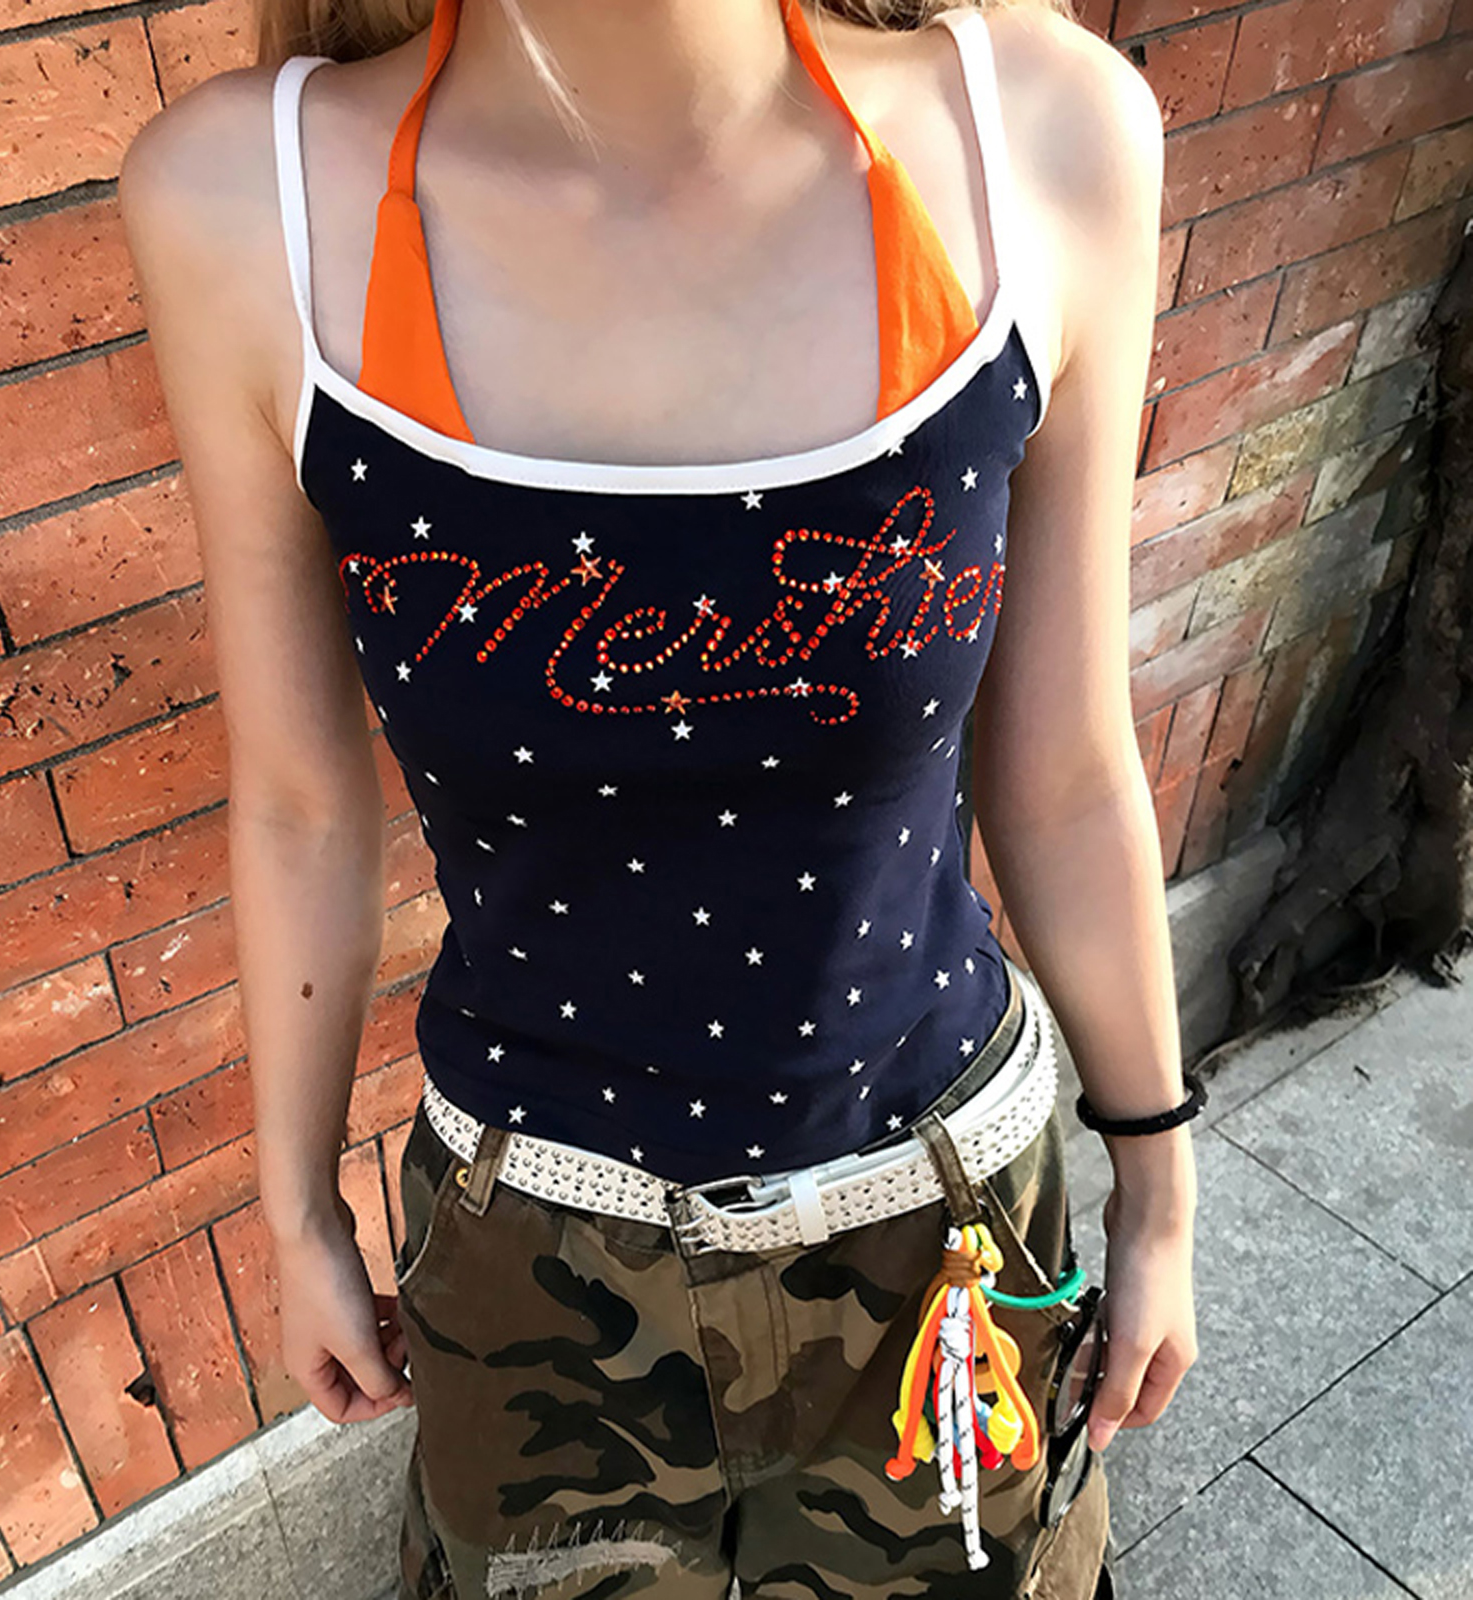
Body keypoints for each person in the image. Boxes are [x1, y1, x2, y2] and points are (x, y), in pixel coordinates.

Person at [119, 0, 1197, 1592]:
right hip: (534, 1262)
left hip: (941, 1230)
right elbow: (297, 804)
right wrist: (297, 1218)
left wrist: (1159, 1189)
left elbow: (1067, 768)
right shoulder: (242, 203)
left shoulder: (1038, 131)